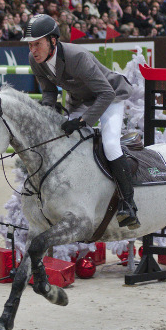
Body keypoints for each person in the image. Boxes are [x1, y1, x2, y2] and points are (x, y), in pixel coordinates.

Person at [21, 14, 139, 229]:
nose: (33, 50)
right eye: (30, 45)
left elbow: (105, 93)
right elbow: (48, 93)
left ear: (53, 41)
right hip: (82, 100)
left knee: (110, 144)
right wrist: (47, 112)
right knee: (62, 140)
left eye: (37, 44)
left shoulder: (77, 57)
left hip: (111, 96)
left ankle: (128, 204)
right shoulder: (34, 60)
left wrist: (83, 121)